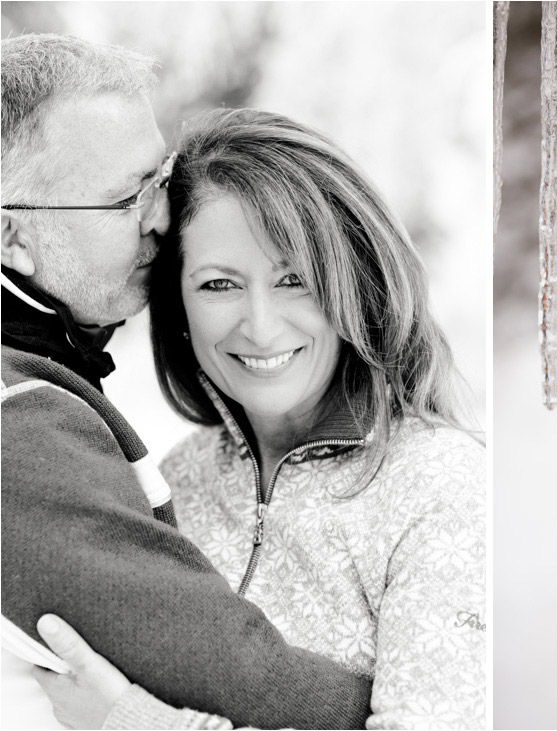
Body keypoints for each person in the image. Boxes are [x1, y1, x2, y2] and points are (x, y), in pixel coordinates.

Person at [33, 107, 487, 729]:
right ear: (179, 306)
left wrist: (133, 721)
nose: (262, 325)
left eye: (295, 279)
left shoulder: (441, 488)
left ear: (355, 285)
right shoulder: (175, 480)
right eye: (219, 284)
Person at [1, 33, 368, 730]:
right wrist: (425, 695)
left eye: (158, 179)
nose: (163, 218)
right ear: (12, 238)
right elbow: (233, 668)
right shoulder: (15, 421)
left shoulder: (43, 369)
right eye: (122, 202)